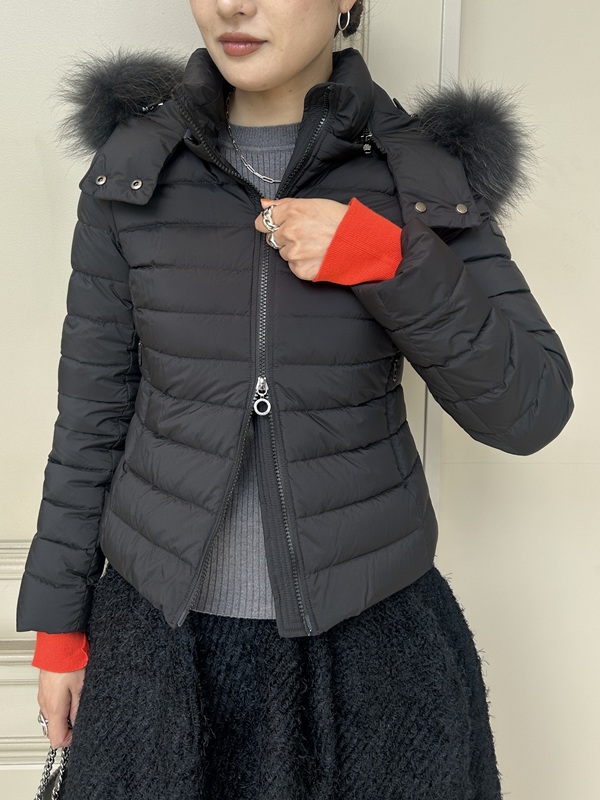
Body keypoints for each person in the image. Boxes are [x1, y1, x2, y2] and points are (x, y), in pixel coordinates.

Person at [16, 1, 574, 798]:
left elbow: (531, 408)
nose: (234, 5)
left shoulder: (419, 175)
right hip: (158, 653)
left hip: (370, 655)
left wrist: (384, 259)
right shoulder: (132, 170)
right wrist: (59, 630)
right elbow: (89, 421)